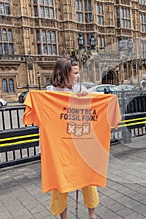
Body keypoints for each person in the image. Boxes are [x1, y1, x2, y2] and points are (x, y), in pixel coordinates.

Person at [46, 58, 99, 219]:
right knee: (60, 183)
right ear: (64, 74)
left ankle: (92, 215)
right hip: (59, 147)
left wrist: (84, 98)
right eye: (75, 72)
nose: (78, 75)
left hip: (80, 143)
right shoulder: (49, 95)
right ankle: (64, 217)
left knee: (88, 179)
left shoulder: (80, 90)